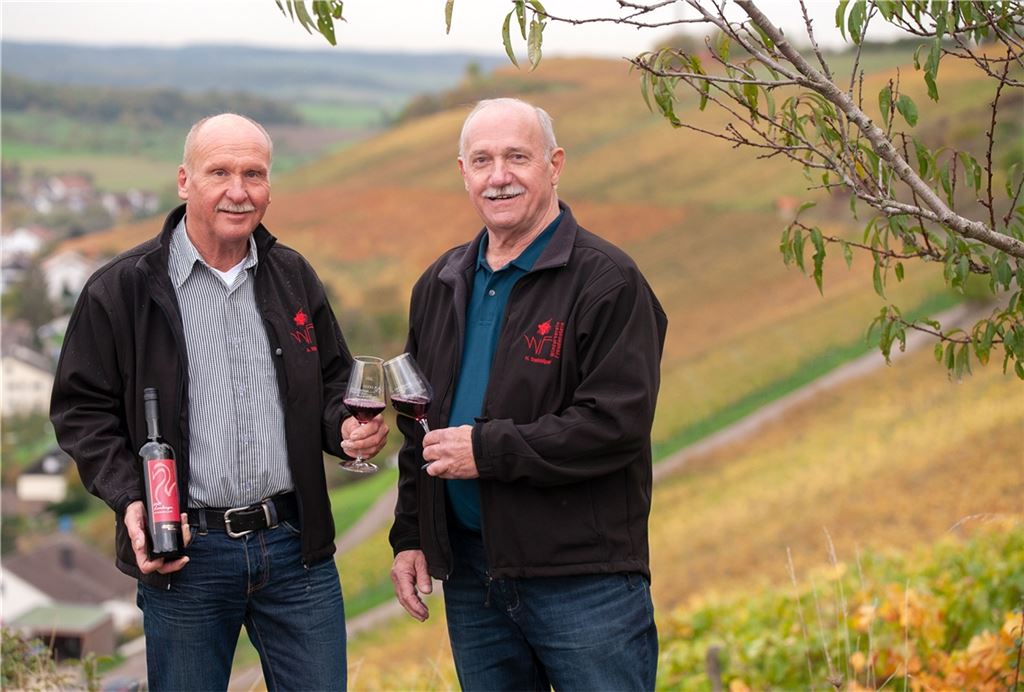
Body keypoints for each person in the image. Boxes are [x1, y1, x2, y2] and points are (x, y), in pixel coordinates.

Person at [50, 113, 387, 691]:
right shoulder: (121, 288)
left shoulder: (292, 275)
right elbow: (80, 411)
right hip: (186, 554)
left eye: (254, 174)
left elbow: (333, 382)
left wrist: (346, 429)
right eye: (220, 172)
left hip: (295, 549)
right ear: (185, 181)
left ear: (269, 185)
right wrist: (130, 497)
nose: (239, 191)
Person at [388, 97, 668, 690]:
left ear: (554, 165)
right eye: (482, 160)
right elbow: (419, 427)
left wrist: (485, 451)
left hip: (583, 581)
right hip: (474, 580)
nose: (499, 177)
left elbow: (614, 426)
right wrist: (411, 535)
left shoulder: (607, 281)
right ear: (463, 172)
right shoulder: (440, 283)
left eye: (517, 157)